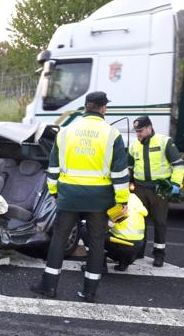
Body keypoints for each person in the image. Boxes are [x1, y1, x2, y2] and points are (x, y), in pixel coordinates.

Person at [30, 91, 130, 303]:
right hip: (99, 199)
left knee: (59, 238)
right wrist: (122, 201)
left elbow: (53, 168)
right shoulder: (112, 134)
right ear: (103, 108)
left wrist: (56, 193)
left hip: (69, 196)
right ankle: (89, 292)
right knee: (96, 243)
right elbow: (120, 173)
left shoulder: (66, 131)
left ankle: (48, 286)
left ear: (86, 106)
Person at [128, 116, 184, 267]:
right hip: (140, 189)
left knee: (159, 222)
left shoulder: (164, 141)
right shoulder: (134, 145)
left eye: (140, 131)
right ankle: (138, 251)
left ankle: (159, 254)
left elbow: (178, 165)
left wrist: (175, 184)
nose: (138, 134)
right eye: (136, 131)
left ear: (149, 128)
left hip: (159, 189)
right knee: (139, 222)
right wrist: (127, 183)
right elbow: (129, 167)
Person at [105, 192, 147, 271]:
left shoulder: (115, 200)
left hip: (122, 246)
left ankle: (100, 265)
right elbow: (145, 212)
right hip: (138, 246)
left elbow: (107, 226)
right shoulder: (134, 197)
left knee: (89, 232)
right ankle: (124, 263)